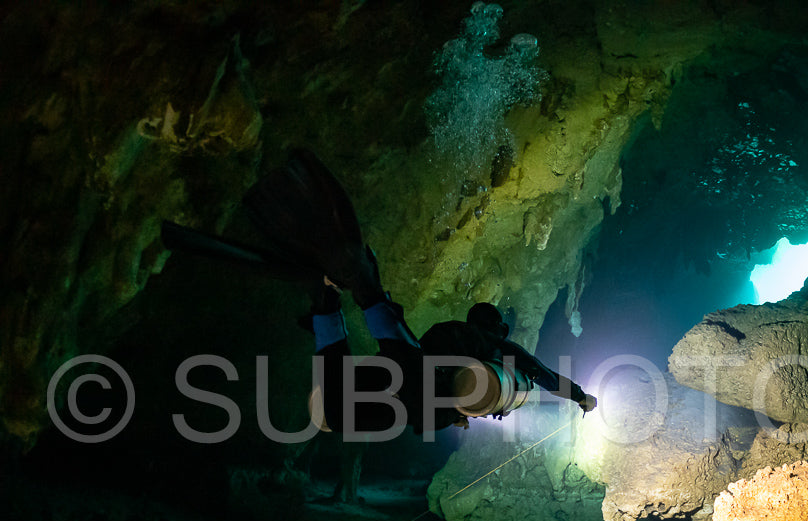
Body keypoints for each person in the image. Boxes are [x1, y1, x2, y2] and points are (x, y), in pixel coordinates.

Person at [162, 148, 596, 439]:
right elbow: (541, 374)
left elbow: (406, 350)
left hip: (411, 385)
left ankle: (338, 293)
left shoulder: (461, 338)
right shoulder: (501, 348)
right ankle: (341, 292)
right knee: (345, 402)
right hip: (411, 396)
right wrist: (579, 396)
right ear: (497, 328)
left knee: (375, 380)